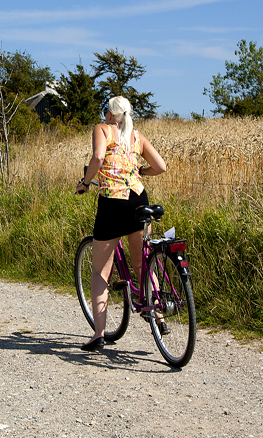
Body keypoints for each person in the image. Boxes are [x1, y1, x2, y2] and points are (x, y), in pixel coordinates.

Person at [75, 95, 166, 351]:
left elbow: (97, 158)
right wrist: (139, 171)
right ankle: (158, 314)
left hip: (113, 203)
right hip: (139, 199)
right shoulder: (137, 136)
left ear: (109, 114)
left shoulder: (103, 129)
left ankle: (99, 334)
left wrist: (84, 183)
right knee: (142, 264)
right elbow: (161, 166)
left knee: (100, 272)